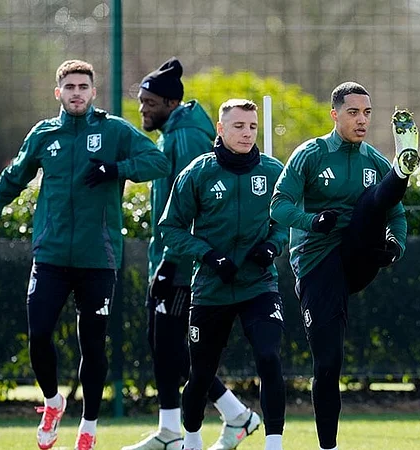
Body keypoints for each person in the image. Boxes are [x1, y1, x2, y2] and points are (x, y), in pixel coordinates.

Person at [0, 60, 170, 450]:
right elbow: (12, 180)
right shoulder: (44, 134)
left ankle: (89, 426)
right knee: (39, 332)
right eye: (70, 87)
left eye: (83, 87)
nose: (77, 92)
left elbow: (158, 161)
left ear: (93, 92)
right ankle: (53, 401)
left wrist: (117, 169)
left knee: (92, 345)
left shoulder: (113, 130)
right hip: (52, 254)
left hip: (98, 258)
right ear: (58, 92)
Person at [269, 81, 420, 450]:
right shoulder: (311, 153)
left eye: (367, 113)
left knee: (372, 203)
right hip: (317, 262)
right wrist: (311, 221)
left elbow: (397, 216)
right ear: (335, 114)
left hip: (358, 254)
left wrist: (395, 246)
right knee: (328, 362)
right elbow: (278, 205)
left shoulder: (373, 159)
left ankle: (403, 170)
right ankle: (329, 447)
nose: (362, 120)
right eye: (353, 112)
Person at [123, 58, 261, 450]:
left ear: (169, 102)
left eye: (149, 102)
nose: (143, 109)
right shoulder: (173, 133)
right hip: (169, 259)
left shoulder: (185, 139)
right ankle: (222, 419)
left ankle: (210, 422)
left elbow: (191, 213)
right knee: (166, 345)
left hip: (182, 265)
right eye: (141, 100)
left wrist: (172, 264)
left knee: (173, 346)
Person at [158, 99, 288, 450]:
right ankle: (192, 440)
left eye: (252, 127)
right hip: (211, 289)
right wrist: (210, 256)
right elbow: (170, 228)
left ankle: (274, 443)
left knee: (269, 356)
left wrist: (272, 246)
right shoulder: (198, 173)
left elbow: (286, 220)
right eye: (238, 126)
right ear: (220, 128)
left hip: (259, 285)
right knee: (200, 373)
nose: (247, 133)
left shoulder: (274, 171)